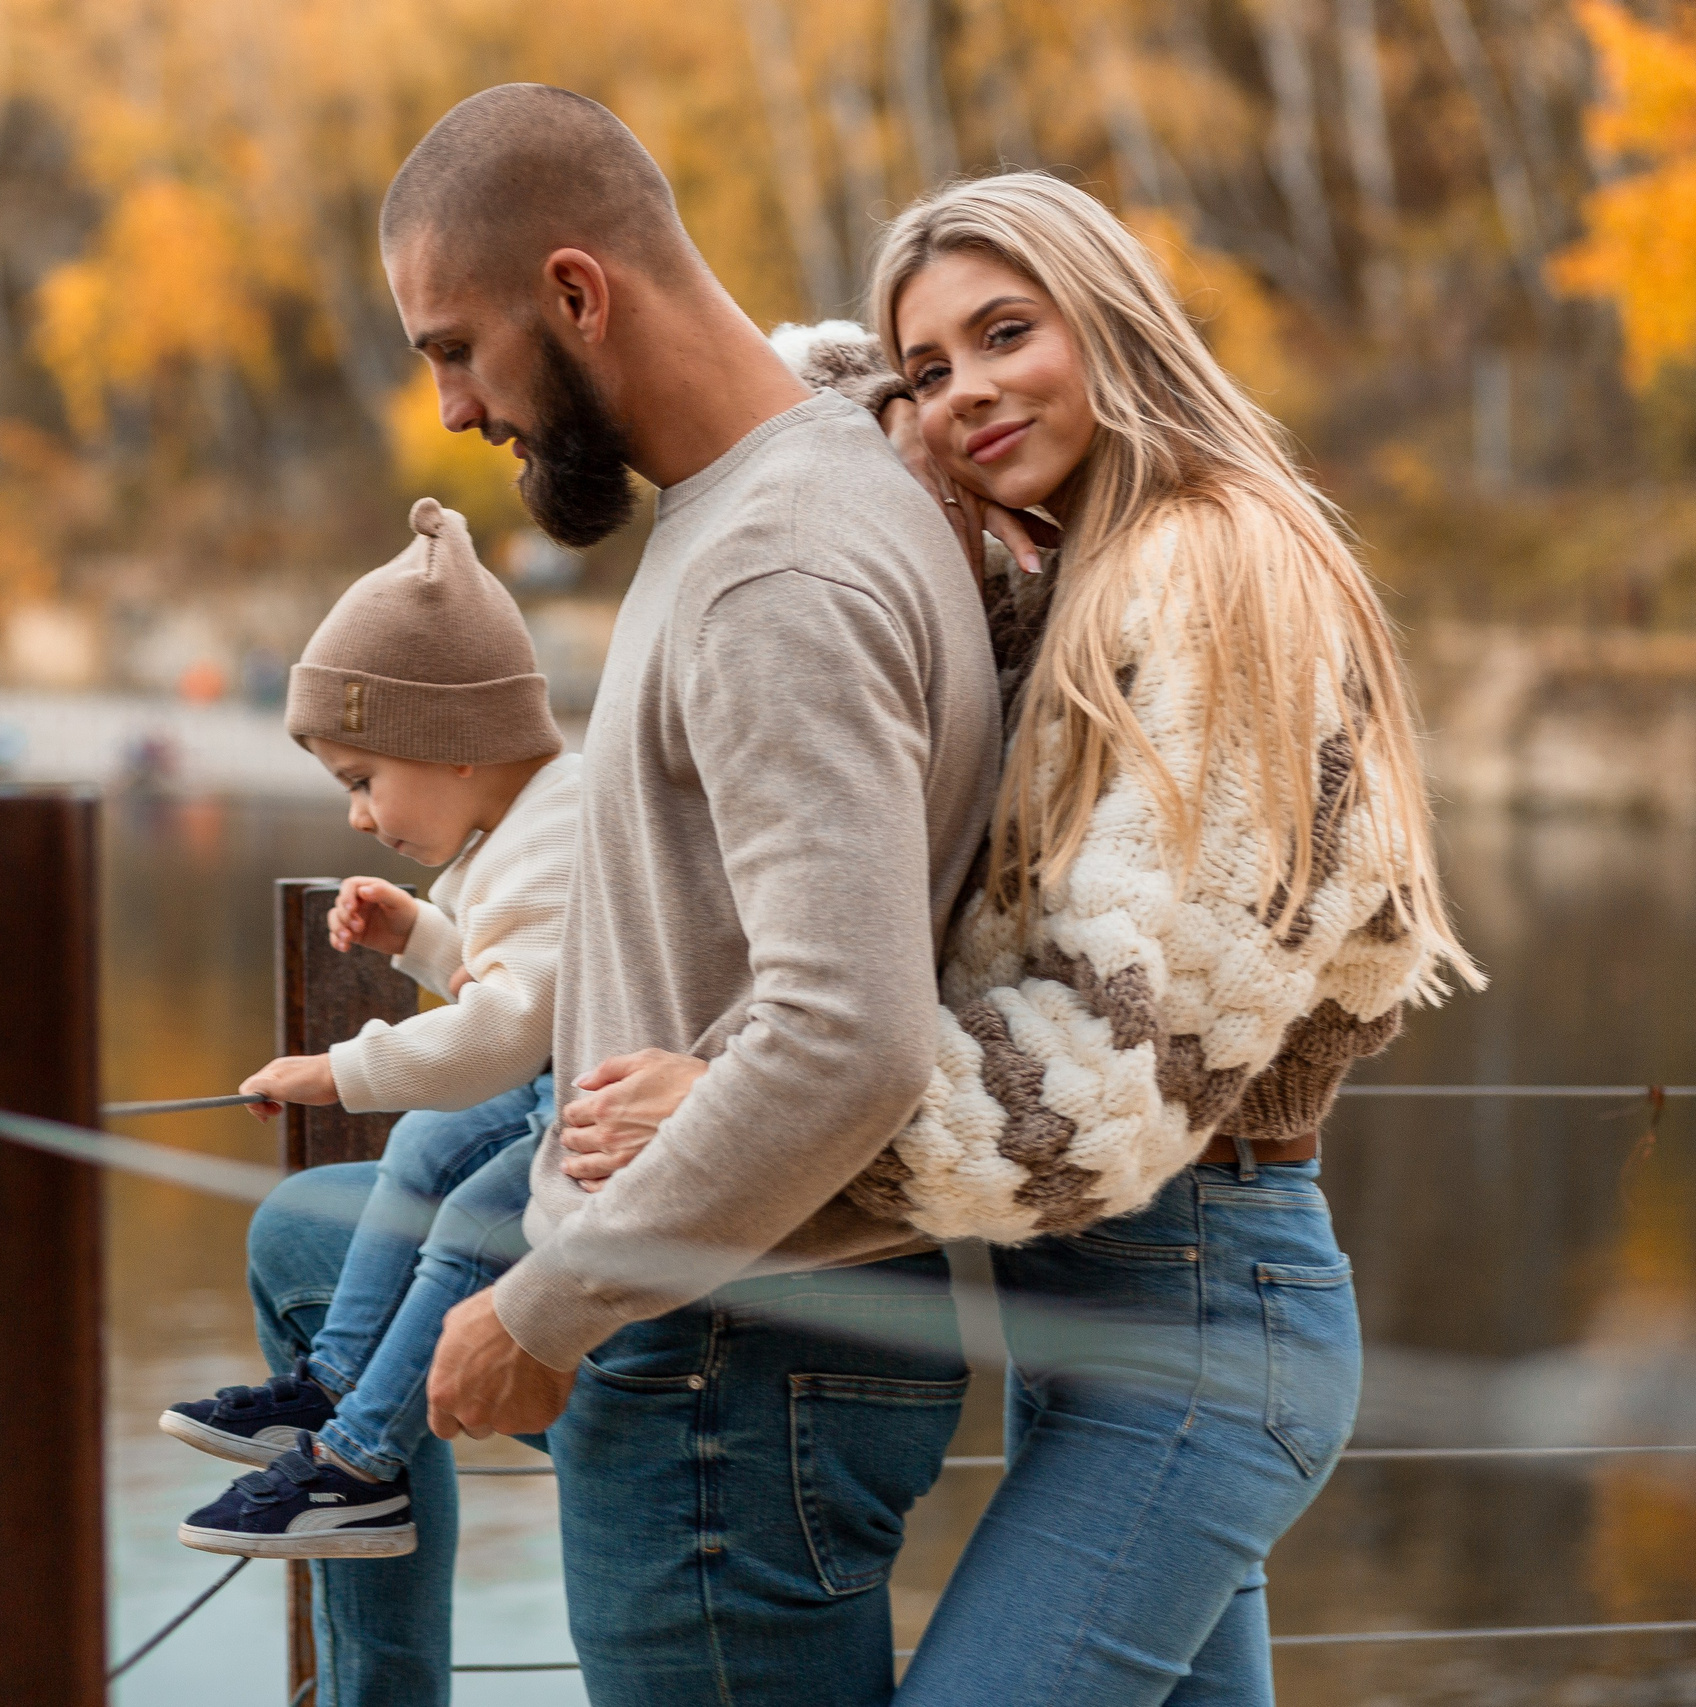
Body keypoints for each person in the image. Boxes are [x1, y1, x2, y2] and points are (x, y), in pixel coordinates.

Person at [556, 172, 1480, 1705]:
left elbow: (1112, 1081)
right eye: (929, 369)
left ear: (1109, 322)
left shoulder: (1217, 571)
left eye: (1006, 332)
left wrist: (751, 1117)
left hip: (1199, 1317)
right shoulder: (1083, 563)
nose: (968, 391)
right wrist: (844, 409)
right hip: (1110, 1319)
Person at [249, 84, 1006, 1705]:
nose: (452, 408)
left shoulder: (774, 566)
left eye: (458, 346)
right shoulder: (758, 508)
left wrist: (547, 1301)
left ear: (578, 294)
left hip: (727, 1364)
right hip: (734, 1335)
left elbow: (848, 1033)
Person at [165, 496, 585, 1562]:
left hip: (595, 1114)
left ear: (452, 746)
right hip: (566, 1080)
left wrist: (334, 1073)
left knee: (470, 1222)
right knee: (424, 1145)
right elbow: (536, 995)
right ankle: (335, 1380)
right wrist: (426, 942)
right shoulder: (528, 827)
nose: (358, 814)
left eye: (363, 780)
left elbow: (499, 1038)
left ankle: (358, 1466)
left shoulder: (553, 839)